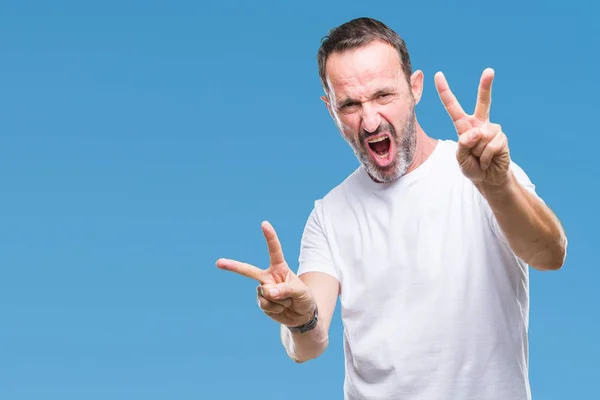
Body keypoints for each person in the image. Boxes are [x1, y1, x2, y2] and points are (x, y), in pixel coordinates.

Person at [216, 17, 567, 400]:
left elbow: (550, 254)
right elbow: (310, 342)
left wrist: (497, 187)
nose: (369, 120)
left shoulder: (484, 171)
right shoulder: (329, 215)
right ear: (330, 109)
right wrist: (301, 320)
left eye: (383, 96)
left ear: (414, 88)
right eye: (349, 104)